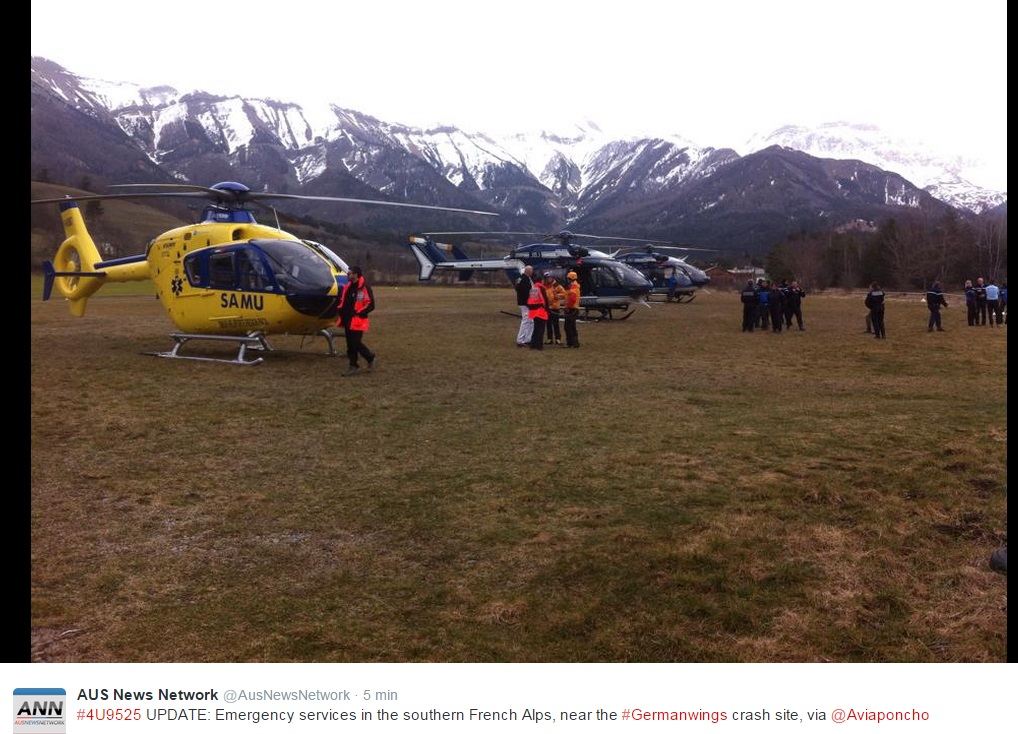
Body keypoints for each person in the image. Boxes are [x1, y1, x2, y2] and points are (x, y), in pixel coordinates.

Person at [336, 265, 376, 376]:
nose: (348, 275)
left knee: (356, 343)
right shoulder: (347, 287)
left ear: (356, 275)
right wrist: (339, 311)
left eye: (349, 273)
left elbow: (370, 304)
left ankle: (369, 358)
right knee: (350, 344)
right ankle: (353, 365)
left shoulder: (364, 288)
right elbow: (343, 302)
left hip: (358, 320)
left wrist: (359, 313)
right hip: (347, 319)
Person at [527, 271, 552, 349]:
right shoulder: (541, 288)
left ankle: (533, 344)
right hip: (540, 311)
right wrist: (547, 310)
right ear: (541, 281)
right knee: (541, 329)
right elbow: (545, 300)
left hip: (533, 311)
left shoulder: (533, 289)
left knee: (535, 328)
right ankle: (539, 345)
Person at [514, 265, 535, 347]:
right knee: (526, 321)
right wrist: (528, 303)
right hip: (525, 303)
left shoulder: (524, 279)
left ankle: (527, 338)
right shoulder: (524, 280)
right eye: (531, 270)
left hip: (526, 303)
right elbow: (524, 293)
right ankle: (520, 340)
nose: (532, 272)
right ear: (528, 271)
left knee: (530, 321)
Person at [545, 274, 567, 345]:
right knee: (548, 324)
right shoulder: (545, 286)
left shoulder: (557, 286)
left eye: (549, 278)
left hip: (555, 308)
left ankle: (558, 339)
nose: (548, 279)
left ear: (552, 278)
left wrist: (557, 296)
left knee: (556, 324)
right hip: (547, 308)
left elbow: (564, 294)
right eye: (547, 278)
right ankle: (550, 339)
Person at [564, 270, 581, 348]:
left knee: (569, 327)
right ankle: (574, 343)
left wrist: (567, 307)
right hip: (573, 309)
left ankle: (571, 343)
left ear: (570, 279)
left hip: (571, 309)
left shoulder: (573, 287)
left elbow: (572, 299)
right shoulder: (575, 286)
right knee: (571, 326)